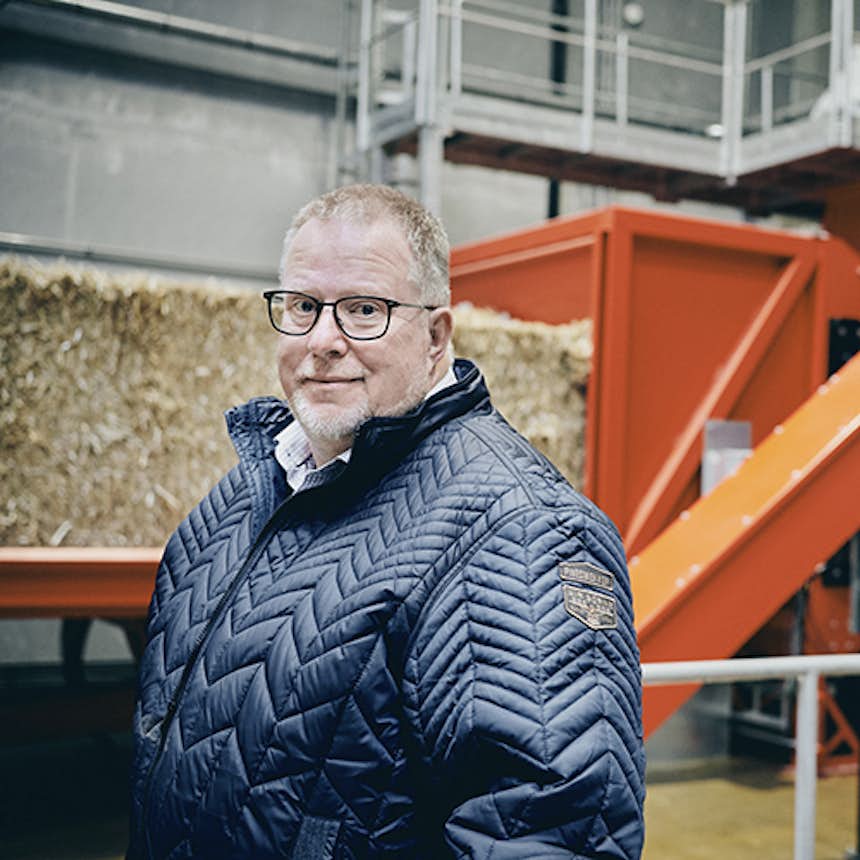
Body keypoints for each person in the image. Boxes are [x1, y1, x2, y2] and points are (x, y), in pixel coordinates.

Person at [127, 184, 645, 859]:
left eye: (364, 310)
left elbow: (553, 835)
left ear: (435, 337)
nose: (322, 341)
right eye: (303, 306)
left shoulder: (520, 533)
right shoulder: (240, 499)